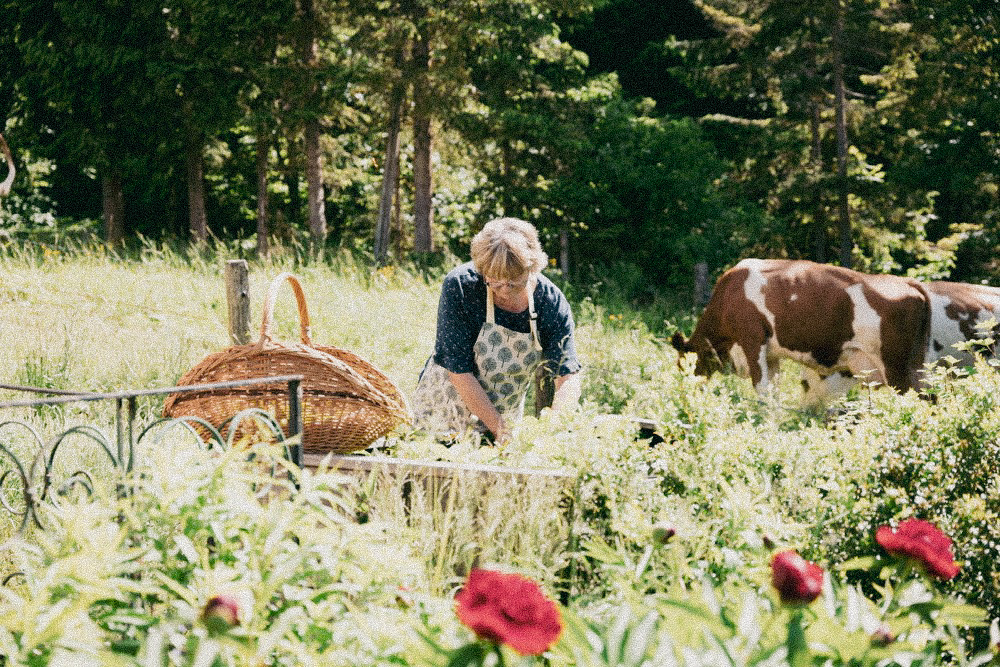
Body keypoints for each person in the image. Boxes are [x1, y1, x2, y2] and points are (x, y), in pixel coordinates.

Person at [412, 217, 582, 442]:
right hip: (443, 416)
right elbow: (459, 370)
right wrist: (501, 431)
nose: (503, 289)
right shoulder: (461, 287)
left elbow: (567, 374)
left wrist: (555, 430)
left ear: (532, 268)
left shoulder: (549, 301)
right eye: (494, 281)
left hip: (505, 420)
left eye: (513, 281)